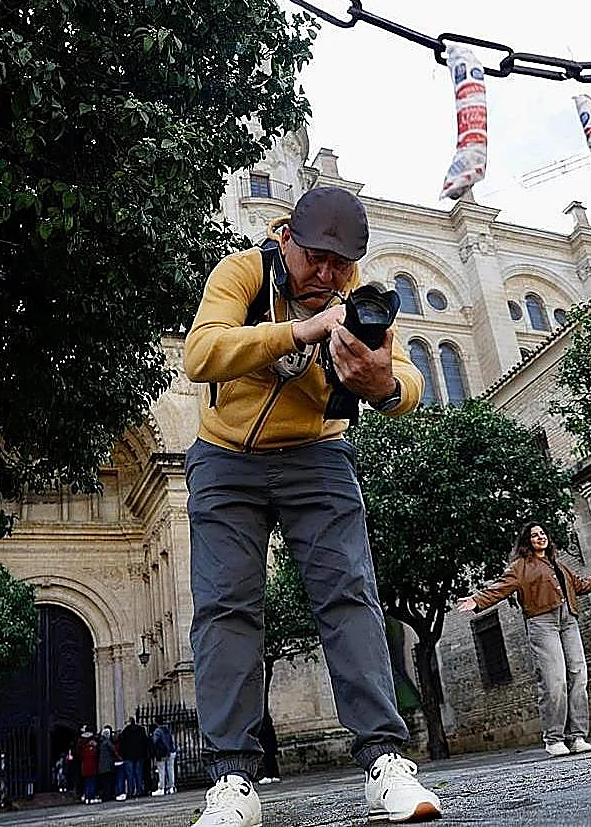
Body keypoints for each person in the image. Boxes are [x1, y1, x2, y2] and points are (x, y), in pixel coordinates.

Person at [182, 186, 441, 827]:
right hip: (224, 459)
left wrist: (383, 385)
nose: (328, 275)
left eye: (342, 264)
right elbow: (200, 354)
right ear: (289, 238)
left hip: (318, 458)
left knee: (350, 595)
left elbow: (405, 378)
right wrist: (297, 331)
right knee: (225, 608)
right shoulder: (243, 271)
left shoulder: (361, 300)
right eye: (317, 258)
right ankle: (234, 783)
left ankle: (386, 764)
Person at [456, 522, 591, 757]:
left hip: (568, 621)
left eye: (543, 533)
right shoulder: (520, 567)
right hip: (542, 623)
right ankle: (554, 738)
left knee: (578, 675)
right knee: (555, 681)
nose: (540, 537)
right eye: (534, 535)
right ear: (527, 541)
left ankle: (577, 736)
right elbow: (500, 588)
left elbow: (581, 585)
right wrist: (477, 600)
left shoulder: (559, 565)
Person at [117, 717, 149, 799]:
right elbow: (145, 742)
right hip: (139, 755)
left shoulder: (125, 732)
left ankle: (131, 791)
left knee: (130, 775)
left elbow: (122, 744)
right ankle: (139, 790)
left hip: (128, 756)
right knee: (139, 774)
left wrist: (122, 754)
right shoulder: (141, 730)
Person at [150, 717, 177, 797]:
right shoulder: (167, 729)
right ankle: (171, 787)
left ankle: (161, 788)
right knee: (170, 770)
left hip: (163, 753)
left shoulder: (158, 731)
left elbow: (155, 741)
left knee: (161, 771)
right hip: (171, 751)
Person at [75, 725, 99, 804]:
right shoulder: (93, 744)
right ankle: (91, 796)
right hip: (92, 765)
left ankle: (87, 797)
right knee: (92, 781)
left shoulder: (81, 743)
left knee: (87, 782)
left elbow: (79, 755)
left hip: (84, 766)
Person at [256, 710, 281, 785]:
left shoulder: (261, 719)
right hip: (268, 737)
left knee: (266, 755)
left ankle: (268, 775)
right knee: (270, 755)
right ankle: (274, 774)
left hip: (265, 737)